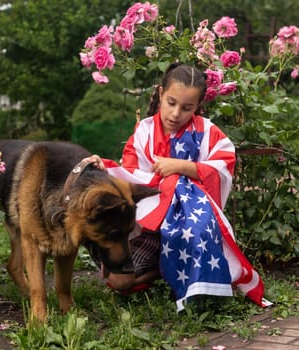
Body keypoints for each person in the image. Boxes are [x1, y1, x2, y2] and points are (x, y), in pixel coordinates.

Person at [87, 63, 269, 311]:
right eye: (171, 102)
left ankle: (172, 266)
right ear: (161, 94)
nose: (175, 114)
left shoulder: (206, 132)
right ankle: (161, 269)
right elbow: (130, 173)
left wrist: (181, 166)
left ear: (198, 106)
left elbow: (224, 166)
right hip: (150, 229)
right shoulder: (144, 131)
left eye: (186, 108)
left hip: (189, 230)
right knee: (119, 281)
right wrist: (105, 168)